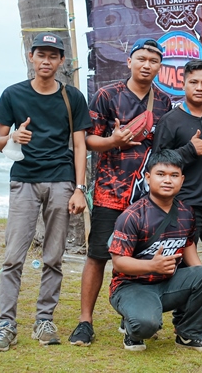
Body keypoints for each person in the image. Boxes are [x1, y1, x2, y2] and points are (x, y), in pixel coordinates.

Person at [0, 32, 92, 351]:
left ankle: (44, 320)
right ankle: (6, 324)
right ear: (31, 57)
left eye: (53, 55)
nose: (46, 61)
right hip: (24, 180)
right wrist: (14, 137)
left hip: (61, 180)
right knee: (13, 257)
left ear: (61, 61)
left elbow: (79, 145)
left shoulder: (72, 97)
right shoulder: (13, 94)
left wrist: (79, 189)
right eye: (41, 55)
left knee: (54, 256)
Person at [69, 38, 171, 346]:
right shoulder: (107, 95)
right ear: (129, 61)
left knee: (139, 259)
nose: (146, 65)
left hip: (146, 200)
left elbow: (161, 150)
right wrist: (113, 141)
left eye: (153, 61)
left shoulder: (163, 101)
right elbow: (87, 140)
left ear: (160, 66)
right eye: (141, 59)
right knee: (98, 256)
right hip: (110, 194)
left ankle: (131, 317)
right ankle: (85, 321)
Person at [107, 150, 202, 352]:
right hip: (131, 286)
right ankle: (132, 327)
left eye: (174, 175)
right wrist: (152, 266)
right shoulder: (132, 215)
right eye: (161, 174)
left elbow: (188, 244)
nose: (167, 180)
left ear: (182, 180)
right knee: (145, 325)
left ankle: (188, 334)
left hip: (167, 283)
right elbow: (119, 262)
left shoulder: (186, 212)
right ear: (148, 177)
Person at [153, 59, 202, 329]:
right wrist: (188, 150)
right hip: (184, 205)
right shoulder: (170, 121)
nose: (199, 87)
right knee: (183, 262)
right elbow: (158, 163)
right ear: (183, 84)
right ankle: (183, 315)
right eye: (194, 82)